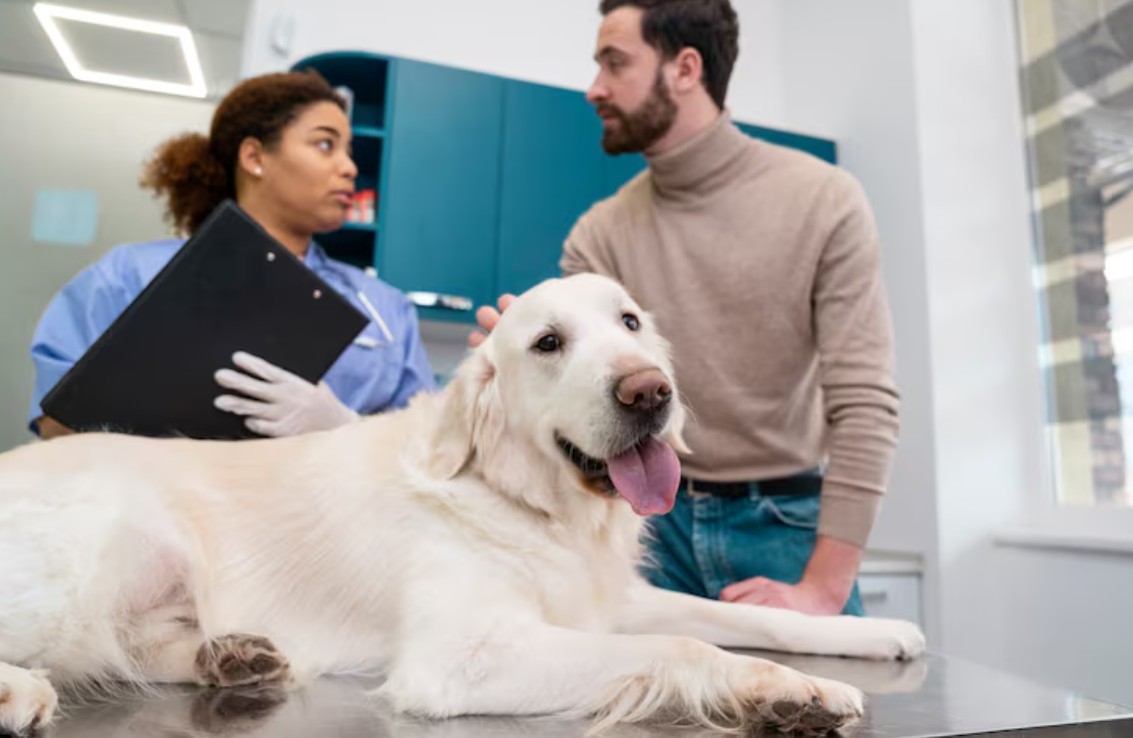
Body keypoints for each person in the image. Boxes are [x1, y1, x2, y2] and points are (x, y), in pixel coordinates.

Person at [472, 0, 899, 616]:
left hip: (787, 524)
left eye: (613, 64)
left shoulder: (825, 199)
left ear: (685, 68)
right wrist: (525, 360)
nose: (594, 89)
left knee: (833, 705)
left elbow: (865, 400)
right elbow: (580, 402)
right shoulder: (599, 233)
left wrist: (824, 588)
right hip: (643, 524)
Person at [29, 71, 435, 440]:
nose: (349, 166)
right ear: (254, 157)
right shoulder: (129, 275)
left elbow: (428, 451)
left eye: (349, 150)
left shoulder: (387, 309)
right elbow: (57, 427)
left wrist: (348, 427)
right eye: (326, 144)